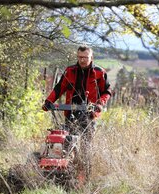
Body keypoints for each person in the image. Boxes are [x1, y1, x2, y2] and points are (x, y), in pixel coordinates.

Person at [42, 45, 113, 184]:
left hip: (89, 114)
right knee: (67, 143)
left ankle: (84, 180)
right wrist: (49, 101)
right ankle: (64, 176)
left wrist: (99, 104)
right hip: (70, 111)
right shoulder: (70, 71)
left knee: (86, 147)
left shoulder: (99, 72)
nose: (82, 60)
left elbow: (107, 91)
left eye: (85, 58)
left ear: (91, 57)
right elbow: (59, 87)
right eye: (79, 57)